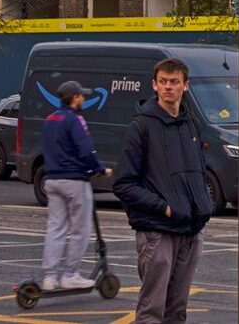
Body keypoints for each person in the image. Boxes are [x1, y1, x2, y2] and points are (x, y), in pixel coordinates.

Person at [113, 58, 213, 324]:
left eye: (174, 82)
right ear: (154, 85)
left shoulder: (189, 124)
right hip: (158, 231)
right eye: (163, 82)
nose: (169, 87)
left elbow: (197, 172)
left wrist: (203, 204)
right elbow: (123, 184)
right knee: (152, 310)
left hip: (190, 229)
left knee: (177, 310)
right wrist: (163, 207)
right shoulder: (141, 126)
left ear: (185, 86)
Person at [41, 81, 108, 291]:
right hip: (74, 181)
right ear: (74, 98)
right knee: (80, 230)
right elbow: (85, 148)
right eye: (82, 96)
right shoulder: (75, 119)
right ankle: (70, 274)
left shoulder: (51, 119)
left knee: (56, 228)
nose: (84, 99)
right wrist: (98, 168)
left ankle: (49, 277)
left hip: (52, 179)